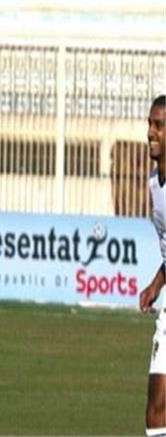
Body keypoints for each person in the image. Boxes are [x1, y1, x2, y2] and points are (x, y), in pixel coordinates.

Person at [139, 93, 166, 437]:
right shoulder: (153, 183)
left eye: (159, 125)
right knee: (156, 407)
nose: (150, 132)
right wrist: (156, 285)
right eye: (149, 123)